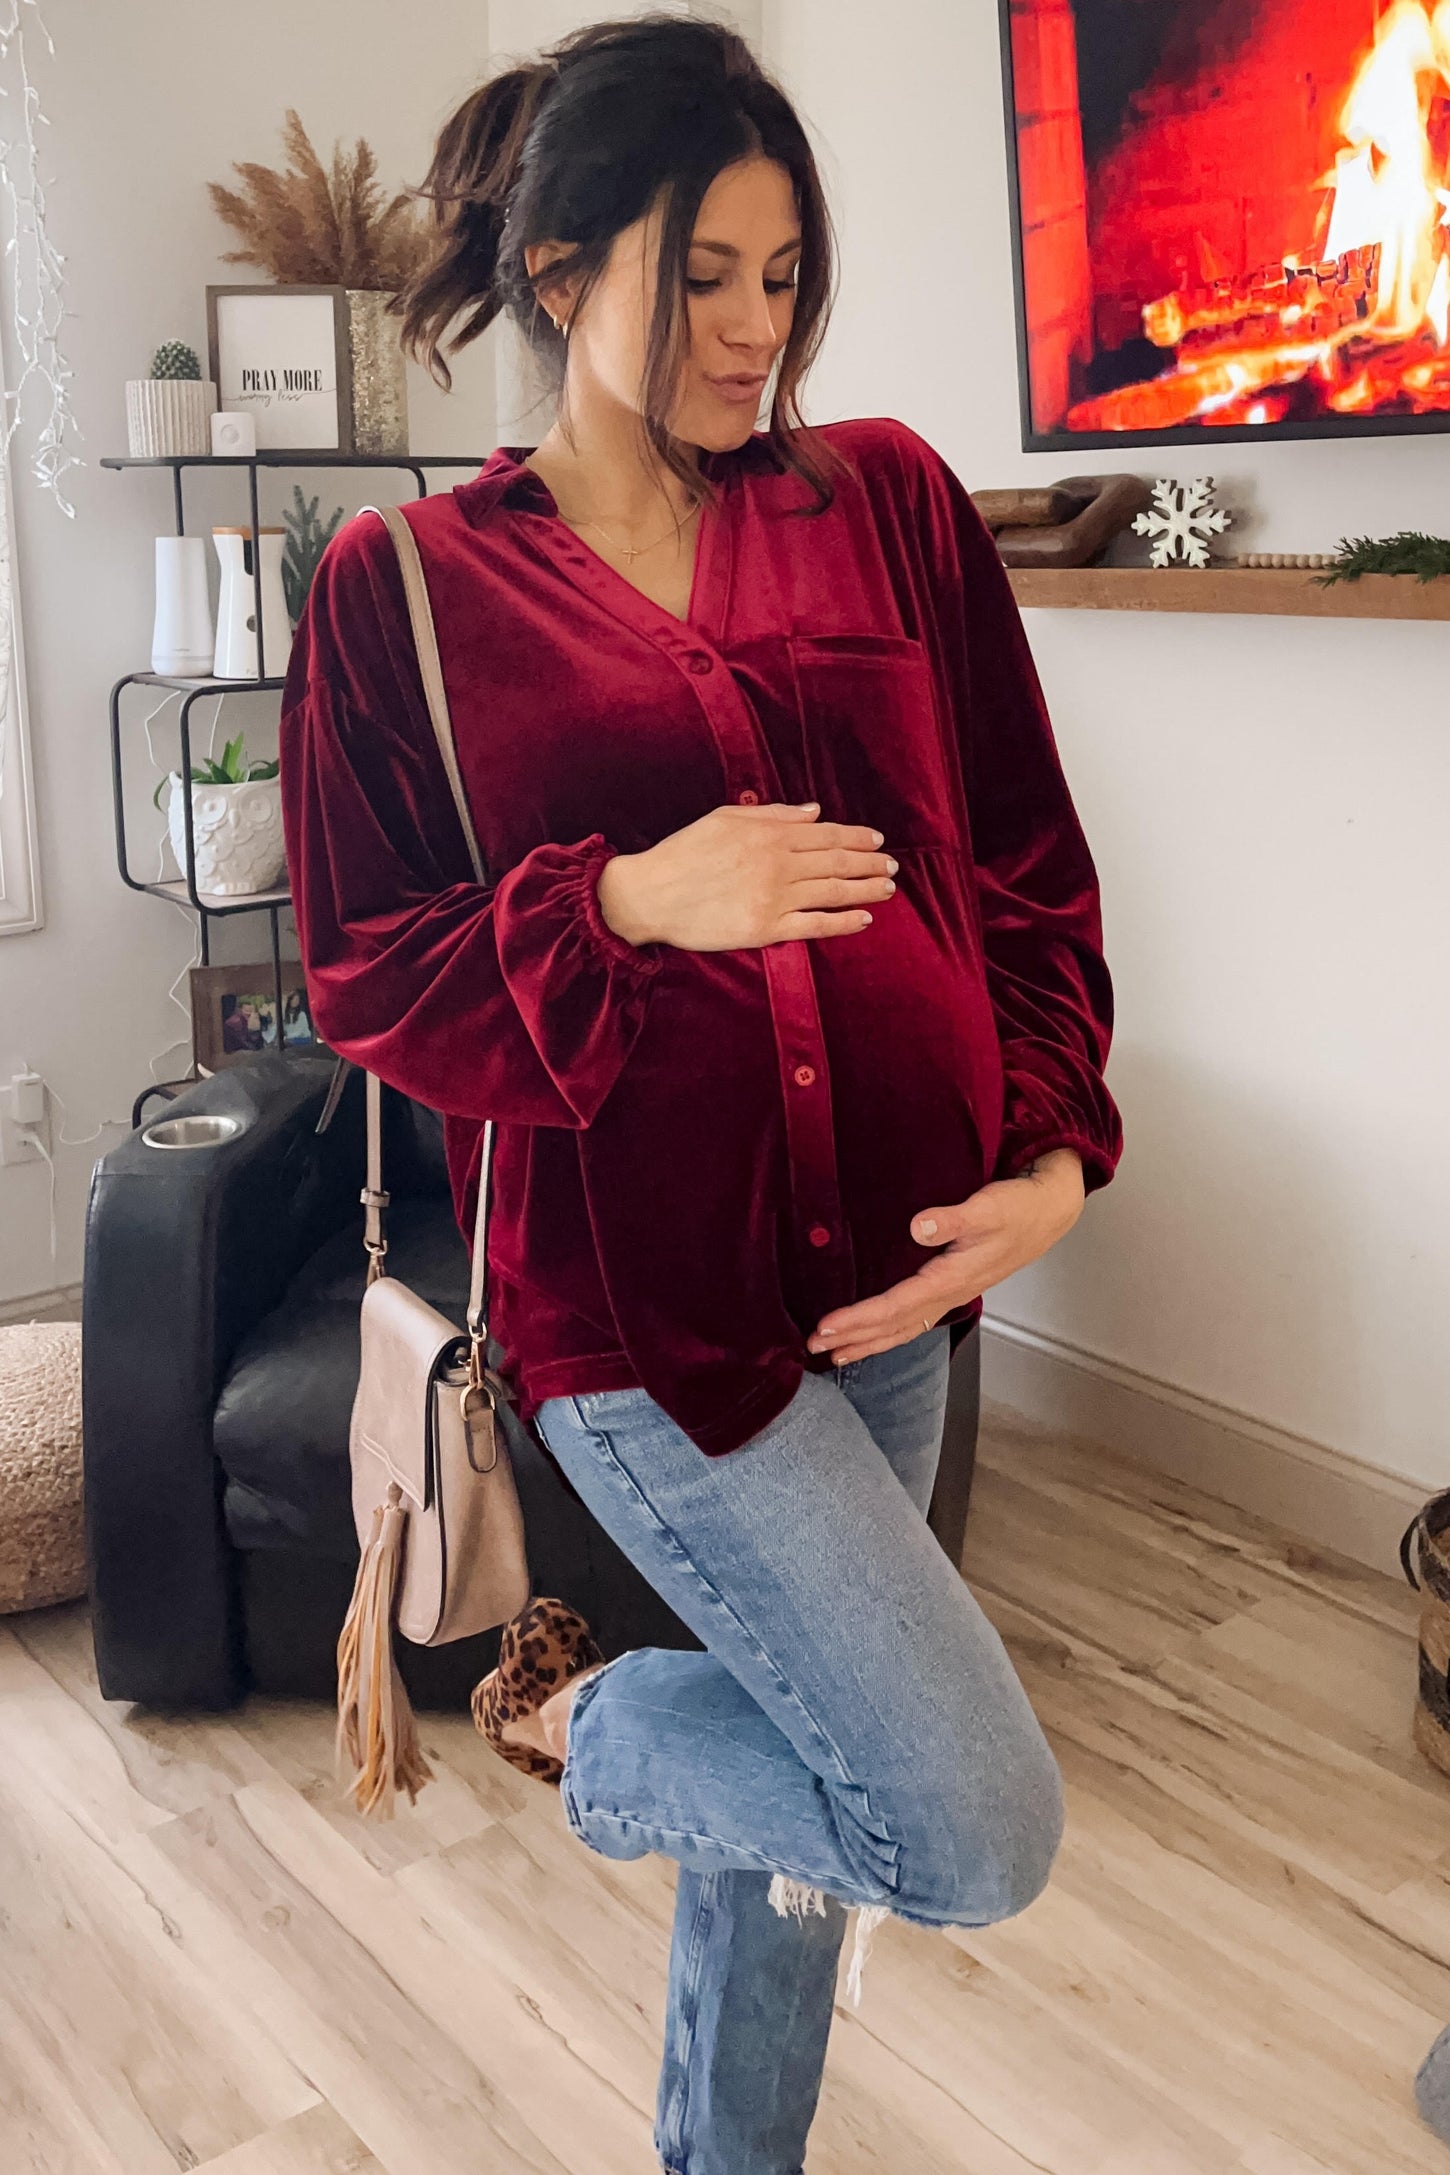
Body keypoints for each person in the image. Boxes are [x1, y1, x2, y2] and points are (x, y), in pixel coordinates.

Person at [278, 15, 1125, 2172]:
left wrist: (1050, 1153)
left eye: (781, 273)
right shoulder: (403, 595)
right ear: (559, 272)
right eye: (702, 275)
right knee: (960, 1820)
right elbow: (368, 971)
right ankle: (591, 1713)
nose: (756, 328)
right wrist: (626, 898)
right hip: (654, 1329)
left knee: (796, 1845)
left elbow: (1017, 864)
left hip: (906, 1285)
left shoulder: (890, 506)